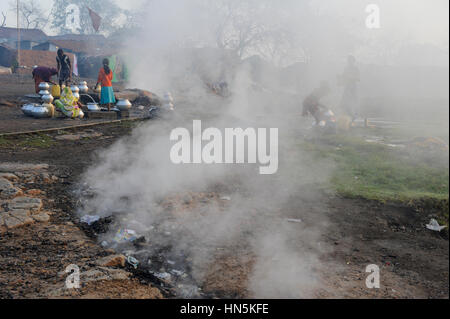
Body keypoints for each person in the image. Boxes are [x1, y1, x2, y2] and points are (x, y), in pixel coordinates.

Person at [338, 55, 360, 121]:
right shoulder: (346, 68)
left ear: (353, 61)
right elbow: (343, 77)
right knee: (344, 100)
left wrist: (350, 78)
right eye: (348, 61)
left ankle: (354, 114)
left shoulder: (356, 69)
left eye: (351, 60)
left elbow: (358, 79)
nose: (349, 62)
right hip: (347, 86)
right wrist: (340, 77)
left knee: (353, 100)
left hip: (353, 86)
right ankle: (346, 114)